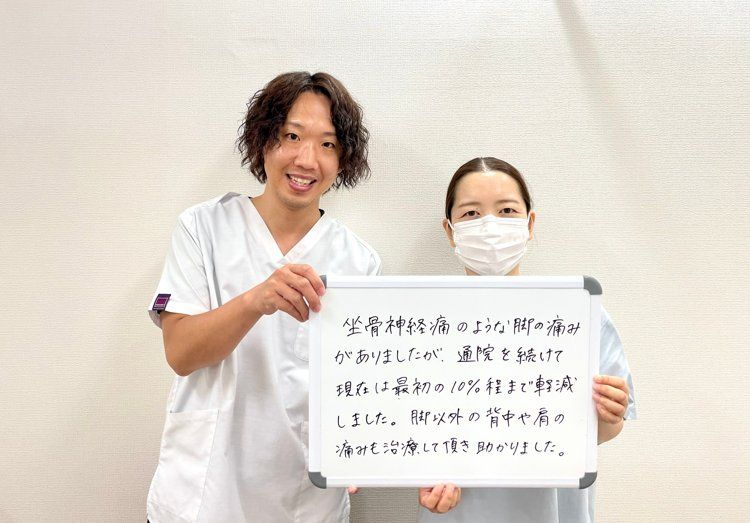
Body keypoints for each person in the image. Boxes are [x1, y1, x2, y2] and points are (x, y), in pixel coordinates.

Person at [146, 71, 456, 523]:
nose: (307, 159)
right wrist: (256, 300)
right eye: (292, 136)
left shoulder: (358, 262)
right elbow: (180, 353)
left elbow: (367, 390)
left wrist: (415, 461)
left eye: (328, 144)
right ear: (263, 140)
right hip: (202, 497)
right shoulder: (203, 228)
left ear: (343, 159)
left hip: (305, 504)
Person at [417, 157, 636, 522]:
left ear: (529, 223)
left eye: (506, 211)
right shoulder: (420, 326)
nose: (490, 226)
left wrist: (610, 413)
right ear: (450, 230)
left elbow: (603, 431)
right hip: (456, 511)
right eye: (471, 214)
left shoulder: (578, 315)